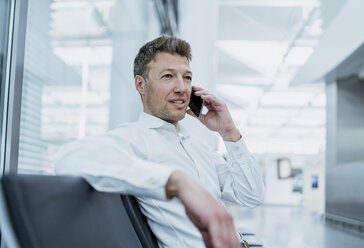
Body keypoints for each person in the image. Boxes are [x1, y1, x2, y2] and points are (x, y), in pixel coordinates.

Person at [55, 35, 264, 248]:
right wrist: (177, 182)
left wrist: (229, 133)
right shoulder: (136, 137)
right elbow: (66, 158)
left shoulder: (197, 147)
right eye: (168, 76)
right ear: (141, 84)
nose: (182, 88)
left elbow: (251, 196)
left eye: (187, 77)